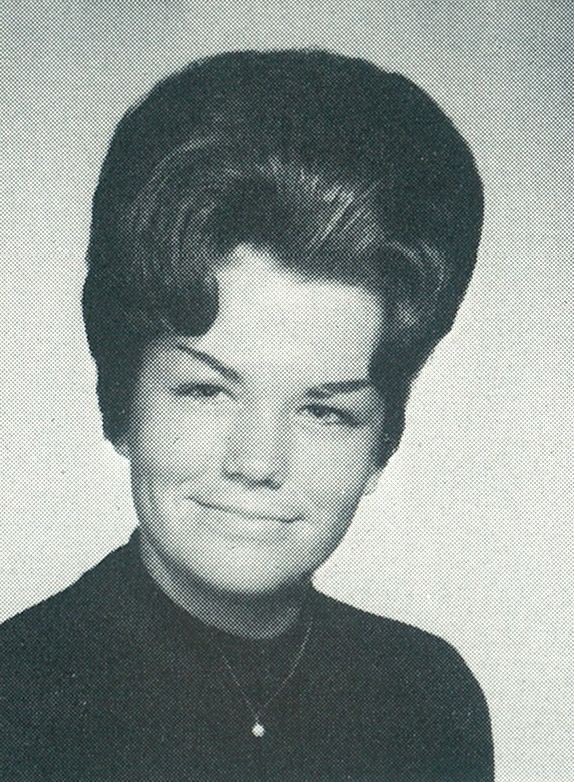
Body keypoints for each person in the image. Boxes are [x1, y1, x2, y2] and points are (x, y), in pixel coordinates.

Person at [0, 49, 494, 781]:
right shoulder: (16, 700)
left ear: (381, 443)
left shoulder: (429, 698)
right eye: (207, 392)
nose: (258, 461)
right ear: (123, 404)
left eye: (324, 411)